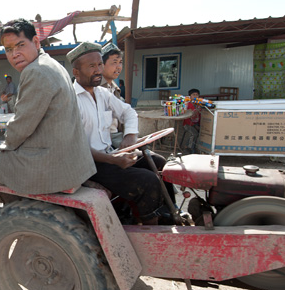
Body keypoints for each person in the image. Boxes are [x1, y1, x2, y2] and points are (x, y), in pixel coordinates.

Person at [0, 19, 96, 242]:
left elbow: (21, 127)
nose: (14, 54)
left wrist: (5, 147)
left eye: (20, 45)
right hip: (67, 158)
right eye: (8, 49)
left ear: (35, 41)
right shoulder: (51, 65)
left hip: (49, 162)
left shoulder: (36, 72)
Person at [69, 42, 174, 225]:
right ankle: (151, 233)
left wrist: (130, 136)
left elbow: (128, 112)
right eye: (91, 66)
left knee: (159, 163)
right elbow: (77, 148)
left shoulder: (102, 93)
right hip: (90, 165)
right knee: (147, 181)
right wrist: (114, 160)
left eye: (100, 64)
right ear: (76, 72)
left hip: (110, 155)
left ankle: (169, 216)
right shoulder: (71, 100)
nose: (98, 70)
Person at [100, 42, 124, 147]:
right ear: (102, 65)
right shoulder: (96, 89)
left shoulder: (115, 90)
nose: (118, 67)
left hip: (117, 136)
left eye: (120, 62)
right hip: (105, 140)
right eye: (114, 62)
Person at [182, 88, 202, 154]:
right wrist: (194, 125)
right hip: (188, 124)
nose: (195, 96)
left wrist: (199, 125)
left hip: (197, 123)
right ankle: (189, 148)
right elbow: (186, 118)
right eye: (194, 95)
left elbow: (200, 116)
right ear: (190, 96)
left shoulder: (199, 105)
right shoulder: (187, 105)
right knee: (194, 133)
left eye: (197, 95)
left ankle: (196, 147)